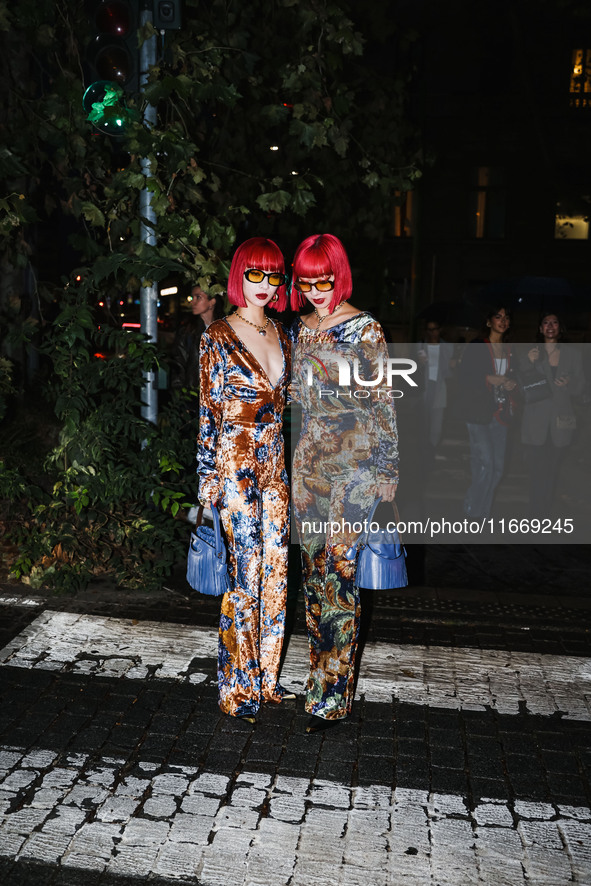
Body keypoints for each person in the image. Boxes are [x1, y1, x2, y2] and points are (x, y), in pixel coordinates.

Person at [290, 233, 399, 734]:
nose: (315, 291)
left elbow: (382, 402)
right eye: (306, 282)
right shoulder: (301, 328)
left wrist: (388, 469)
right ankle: (319, 676)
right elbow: (297, 399)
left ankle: (330, 698)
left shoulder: (365, 329)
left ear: (340, 274)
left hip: (355, 469)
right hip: (310, 466)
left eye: (324, 280)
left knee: (338, 577)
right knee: (314, 579)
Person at [197, 237, 293, 722]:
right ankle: (236, 686)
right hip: (234, 467)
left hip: (275, 469)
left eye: (273, 275)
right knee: (244, 575)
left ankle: (266, 679)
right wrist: (205, 477)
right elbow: (208, 413)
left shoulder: (283, 333)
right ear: (240, 275)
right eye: (254, 273)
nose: (264, 284)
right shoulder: (217, 335)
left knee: (276, 570)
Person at [518, 310, 584, 516]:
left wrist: (569, 383)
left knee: (552, 472)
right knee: (537, 471)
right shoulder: (530, 353)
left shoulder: (573, 355)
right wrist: (529, 362)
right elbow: (520, 386)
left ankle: (544, 512)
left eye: (554, 322)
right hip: (535, 422)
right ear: (540, 328)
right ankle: (535, 514)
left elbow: (581, 387)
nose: (550, 326)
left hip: (561, 422)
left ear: (559, 328)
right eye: (546, 322)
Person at [458, 305, 517, 520]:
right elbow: (464, 376)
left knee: (497, 469)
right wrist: (488, 379)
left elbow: (517, 376)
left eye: (506, 317)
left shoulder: (511, 349)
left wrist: (512, 382)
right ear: (489, 321)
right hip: (478, 412)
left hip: (502, 414)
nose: (503, 320)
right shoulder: (478, 345)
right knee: (486, 465)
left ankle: (482, 511)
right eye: (498, 316)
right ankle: (473, 511)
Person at [414, 317, 455, 470]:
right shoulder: (419, 345)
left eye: (435, 329)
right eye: (429, 329)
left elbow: (449, 373)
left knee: (436, 426)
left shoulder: (447, 347)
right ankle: (424, 454)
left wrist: (454, 365)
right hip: (423, 388)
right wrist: (418, 363)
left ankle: (432, 451)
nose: (433, 332)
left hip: (439, 388)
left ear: (440, 329)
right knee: (423, 424)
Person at [171, 285, 224, 390]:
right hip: (194, 396)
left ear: (212, 302)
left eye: (198, 297)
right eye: (192, 298)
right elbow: (178, 365)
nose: (192, 302)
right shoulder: (187, 331)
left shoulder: (225, 330)